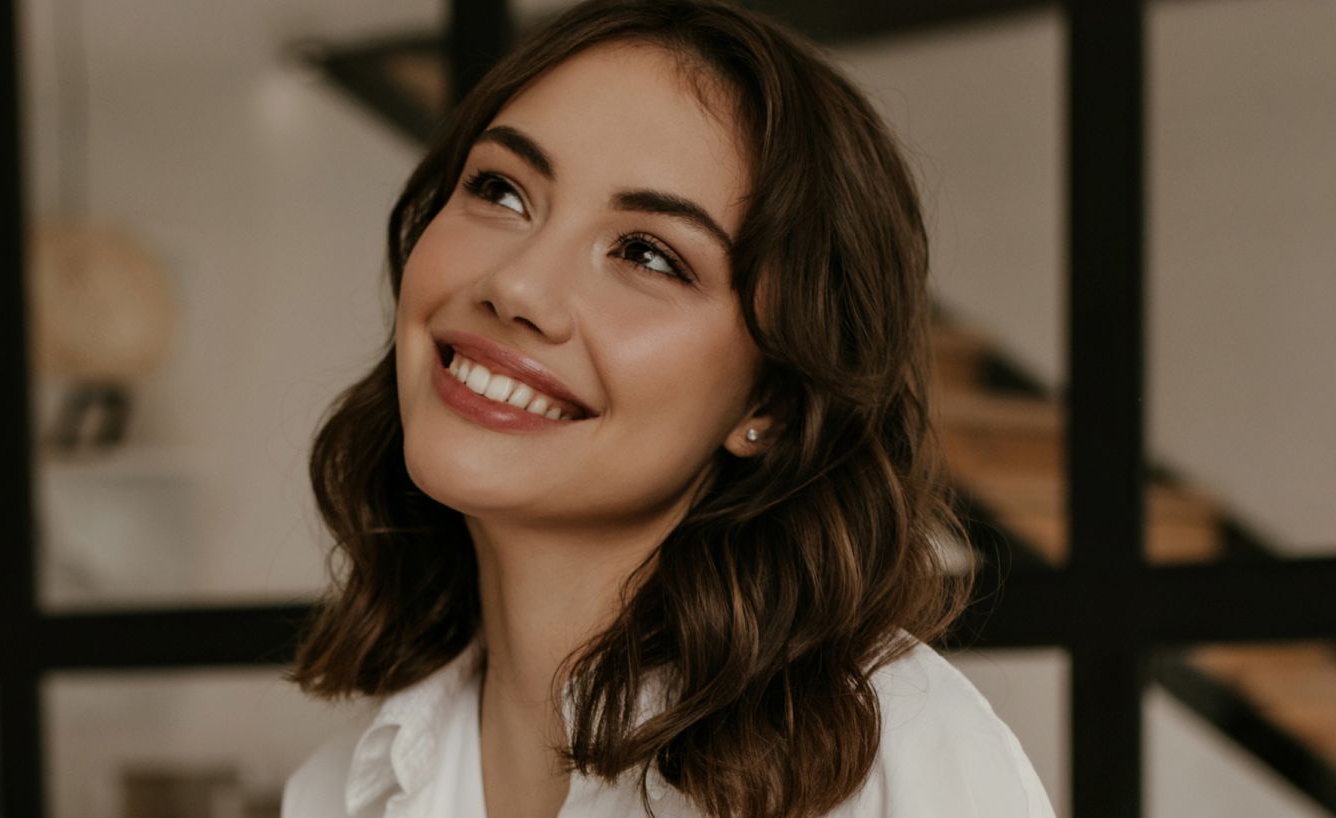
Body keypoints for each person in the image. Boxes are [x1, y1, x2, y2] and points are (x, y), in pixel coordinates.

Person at [283, 1, 1055, 816]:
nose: (516, 286)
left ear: (770, 403)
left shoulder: (899, 766)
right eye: (501, 191)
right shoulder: (339, 793)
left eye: (648, 255)